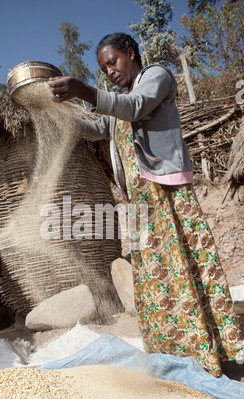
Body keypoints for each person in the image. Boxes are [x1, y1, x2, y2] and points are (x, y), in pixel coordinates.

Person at [47, 32, 243, 377]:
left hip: (165, 193)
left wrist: (84, 90)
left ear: (131, 54)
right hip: (139, 203)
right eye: (103, 69)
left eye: (113, 62)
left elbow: (135, 107)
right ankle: (173, 353)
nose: (109, 71)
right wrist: (57, 118)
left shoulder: (156, 78)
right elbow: (97, 128)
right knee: (156, 279)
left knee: (185, 268)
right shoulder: (118, 100)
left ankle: (211, 350)